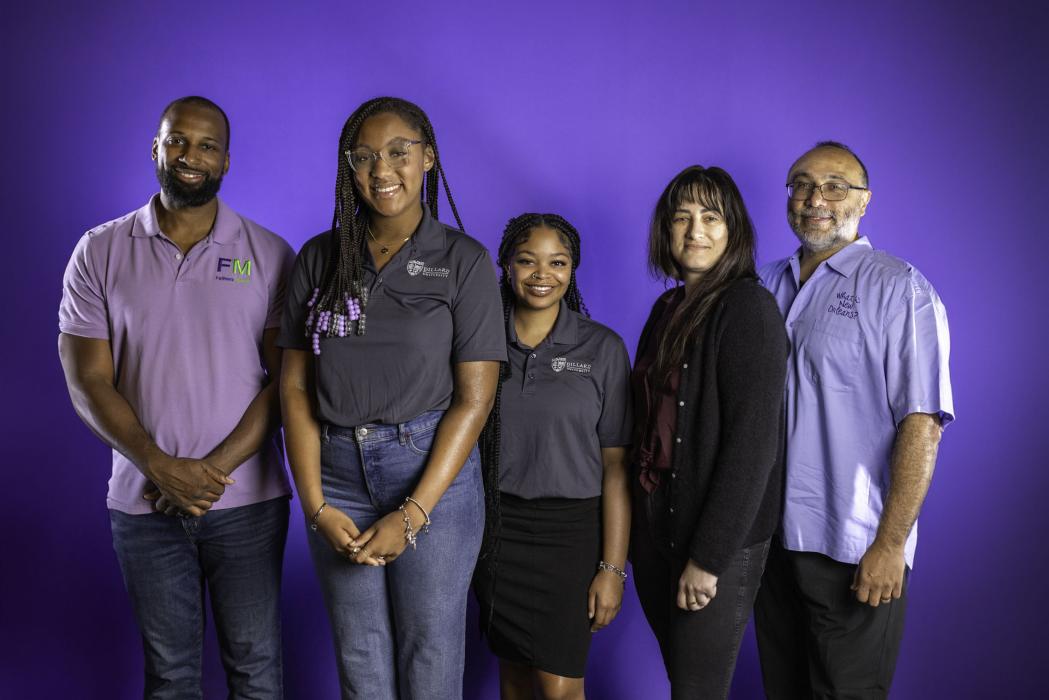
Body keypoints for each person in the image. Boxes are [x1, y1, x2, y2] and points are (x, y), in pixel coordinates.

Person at [58, 96, 294, 699]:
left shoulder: (269, 255)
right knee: (170, 679)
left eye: (207, 145)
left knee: (257, 673)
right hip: (143, 505)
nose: (191, 156)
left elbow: (286, 379)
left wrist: (210, 473)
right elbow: (89, 381)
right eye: (178, 141)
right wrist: (160, 468)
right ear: (156, 148)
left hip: (246, 503)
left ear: (227, 161)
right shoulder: (99, 252)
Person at [277, 96, 504, 699]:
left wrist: (414, 513)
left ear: (427, 158)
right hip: (336, 475)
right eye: (365, 157)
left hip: (431, 471)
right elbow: (295, 388)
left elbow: (474, 400)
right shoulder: (320, 258)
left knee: (429, 658)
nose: (383, 170)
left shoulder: (464, 261)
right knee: (361, 659)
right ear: (348, 169)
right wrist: (316, 506)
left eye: (399, 152)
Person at [753, 141, 955, 699]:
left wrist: (891, 545)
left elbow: (922, 424)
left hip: (853, 547)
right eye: (801, 184)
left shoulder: (900, 290)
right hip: (770, 544)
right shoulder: (761, 286)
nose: (816, 198)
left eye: (835, 185)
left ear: (864, 201)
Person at [629, 165, 789, 700]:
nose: (695, 230)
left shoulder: (749, 309)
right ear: (665, 231)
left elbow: (753, 446)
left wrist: (709, 558)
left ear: (733, 229)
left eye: (711, 216)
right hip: (657, 525)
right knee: (683, 679)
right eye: (682, 217)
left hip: (718, 535)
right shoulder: (666, 309)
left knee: (697, 690)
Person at [472, 213, 633, 700]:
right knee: (516, 678)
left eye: (557, 262)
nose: (542, 274)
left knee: (560, 687)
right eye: (527, 261)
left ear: (572, 269)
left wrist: (612, 569)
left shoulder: (602, 347)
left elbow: (616, 468)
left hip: (571, 538)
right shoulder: (478, 340)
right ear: (505, 265)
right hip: (497, 532)